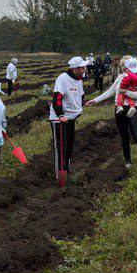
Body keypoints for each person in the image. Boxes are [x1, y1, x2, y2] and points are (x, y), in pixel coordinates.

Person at [89, 56, 137, 169]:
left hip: (132, 108)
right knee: (124, 136)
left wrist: (126, 92)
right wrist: (95, 100)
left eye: (125, 65)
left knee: (136, 135)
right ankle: (128, 162)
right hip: (119, 109)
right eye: (122, 65)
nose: (124, 67)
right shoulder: (120, 78)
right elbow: (111, 91)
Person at [49, 57, 88, 187]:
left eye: (84, 67)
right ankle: (59, 174)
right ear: (74, 68)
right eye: (81, 68)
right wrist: (60, 115)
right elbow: (57, 98)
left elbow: (80, 94)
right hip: (60, 119)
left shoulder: (79, 79)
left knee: (70, 144)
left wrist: (80, 106)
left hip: (71, 118)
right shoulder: (63, 79)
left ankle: (66, 167)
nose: (84, 70)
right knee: (60, 146)